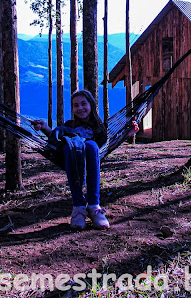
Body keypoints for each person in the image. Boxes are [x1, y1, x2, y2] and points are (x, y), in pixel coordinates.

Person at [31, 89, 138, 230]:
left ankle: (94, 206)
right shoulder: (69, 125)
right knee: (72, 146)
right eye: (76, 105)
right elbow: (55, 139)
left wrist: (127, 134)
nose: (80, 108)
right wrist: (45, 128)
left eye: (83, 104)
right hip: (71, 156)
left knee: (92, 146)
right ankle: (78, 208)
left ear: (91, 105)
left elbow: (109, 144)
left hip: (91, 157)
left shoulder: (99, 129)